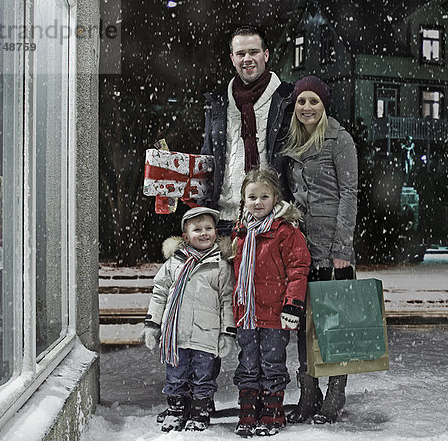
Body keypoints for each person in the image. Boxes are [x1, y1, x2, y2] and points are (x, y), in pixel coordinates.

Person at [281, 76, 358, 424]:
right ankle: (307, 392)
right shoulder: (291, 142)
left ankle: (335, 393)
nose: (307, 107)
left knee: (332, 324)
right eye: (301, 102)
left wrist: (342, 246)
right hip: (302, 247)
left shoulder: (339, 140)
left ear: (324, 104)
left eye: (313, 101)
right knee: (302, 324)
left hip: (332, 246)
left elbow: (349, 195)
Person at [141, 206, 236, 432]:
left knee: (203, 376)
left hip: (206, 334)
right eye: (197, 230)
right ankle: (176, 410)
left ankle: (199, 411)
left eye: (209, 228)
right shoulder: (175, 262)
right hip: (176, 335)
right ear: (185, 237)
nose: (204, 233)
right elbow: (160, 292)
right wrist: (152, 324)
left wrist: (227, 332)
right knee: (176, 375)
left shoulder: (220, 265)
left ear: (216, 232)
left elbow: (227, 300)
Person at [231, 169, 310, 437]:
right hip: (248, 315)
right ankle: (248, 411)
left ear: (275, 197)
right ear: (243, 199)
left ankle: (272, 412)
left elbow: (298, 268)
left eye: (264, 196)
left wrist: (292, 304)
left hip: (276, 314)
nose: (258, 202)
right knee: (248, 363)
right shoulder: (241, 233)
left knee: (273, 362)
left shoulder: (286, 232)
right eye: (252, 196)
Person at [201, 24, 293, 235]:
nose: (247, 59)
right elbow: (207, 158)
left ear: (266, 54)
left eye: (254, 52)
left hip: (272, 220)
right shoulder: (218, 103)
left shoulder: (287, 99)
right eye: (241, 53)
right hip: (224, 218)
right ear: (232, 58)